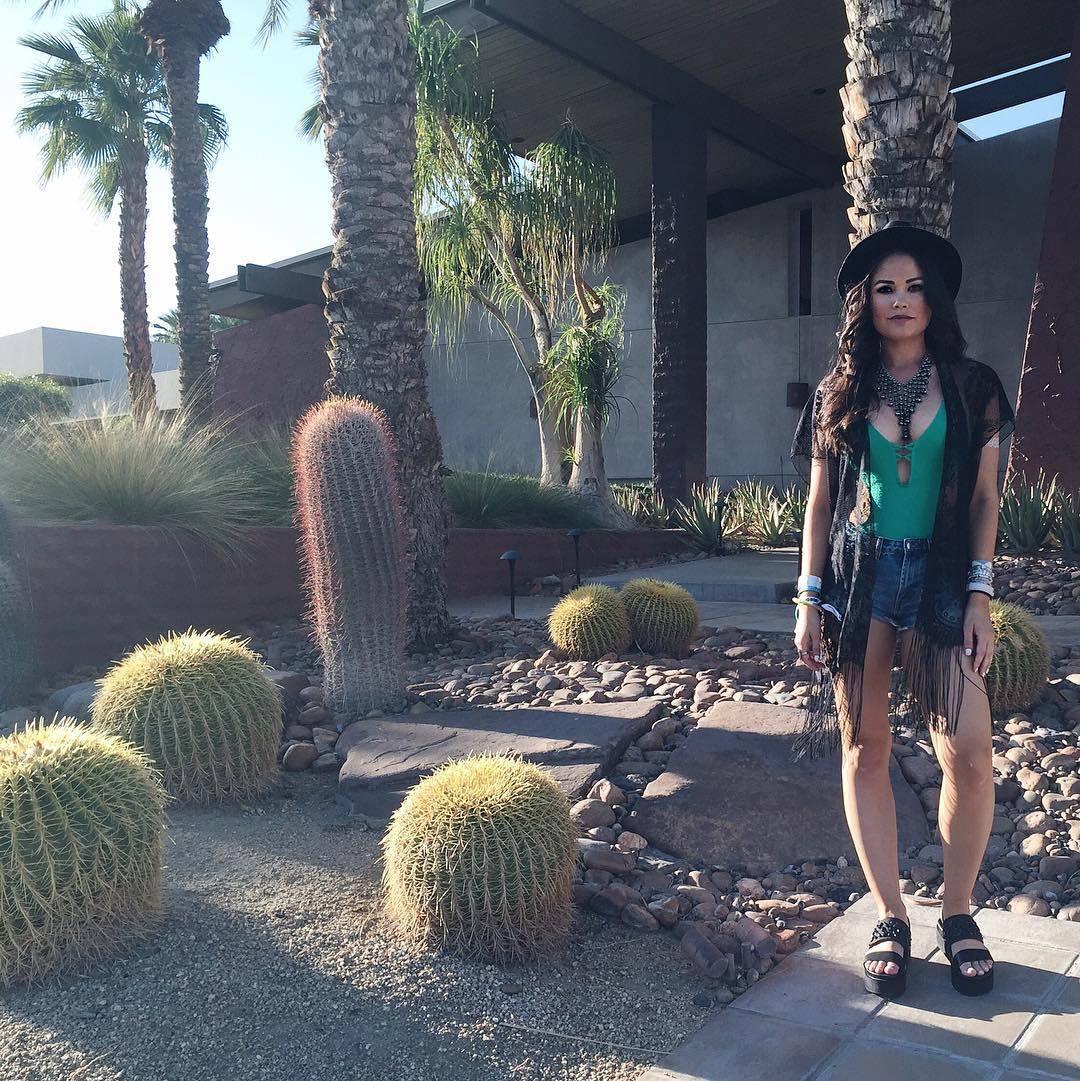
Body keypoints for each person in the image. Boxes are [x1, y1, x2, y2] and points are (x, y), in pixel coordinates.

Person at [789, 219, 1015, 1000]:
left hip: (944, 579)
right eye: (885, 287)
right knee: (865, 748)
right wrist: (808, 599)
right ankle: (890, 913)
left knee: (970, 751)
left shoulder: (975, 386)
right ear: (867, 301)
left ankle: (957, 910)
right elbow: (821, 505)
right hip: (863, 580)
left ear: (935, 298)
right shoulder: (839, 391)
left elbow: (984, 499)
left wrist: (981, 593)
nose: (900, 299)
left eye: (915, 286)